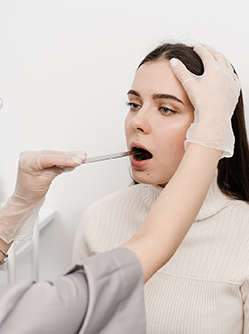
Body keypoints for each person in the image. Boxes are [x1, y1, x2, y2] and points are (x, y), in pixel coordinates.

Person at [73, 43, 249, 333]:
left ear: (215, 125)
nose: (137, 122)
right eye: (134, 104)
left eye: (166, 109)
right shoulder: (98, 219)